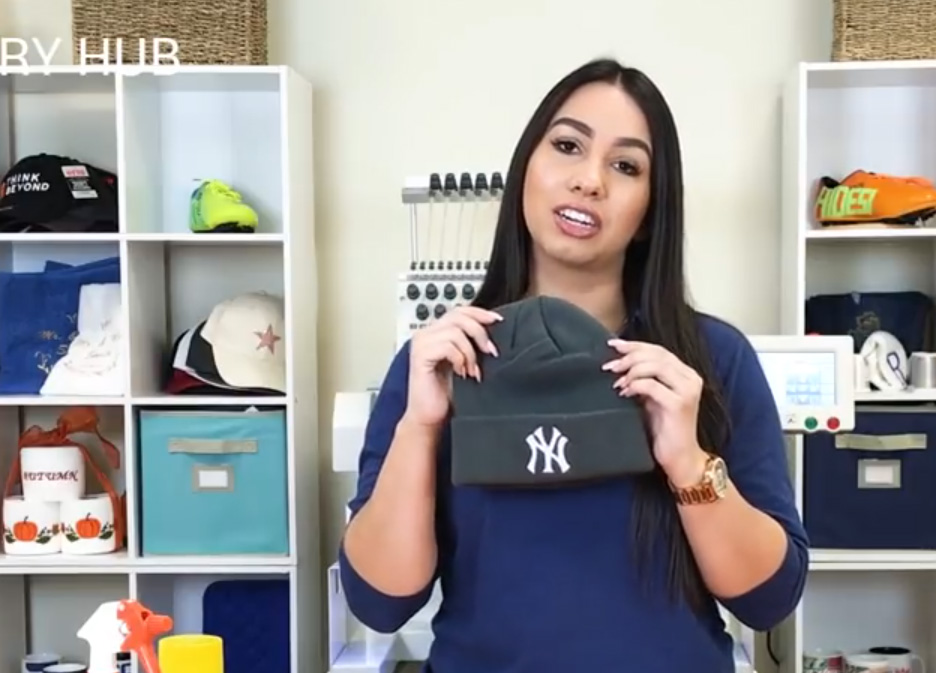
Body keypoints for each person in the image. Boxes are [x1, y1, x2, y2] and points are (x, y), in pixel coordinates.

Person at [339, 57, 808, 671]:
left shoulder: (710, 360)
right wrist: (420, 429)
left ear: (650, 212)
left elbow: (769, 600)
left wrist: (687, 461)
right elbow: (379, 602)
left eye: (626, 166)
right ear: (525, 170)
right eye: (567, 146)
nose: (589, 181)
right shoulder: (441, 363)